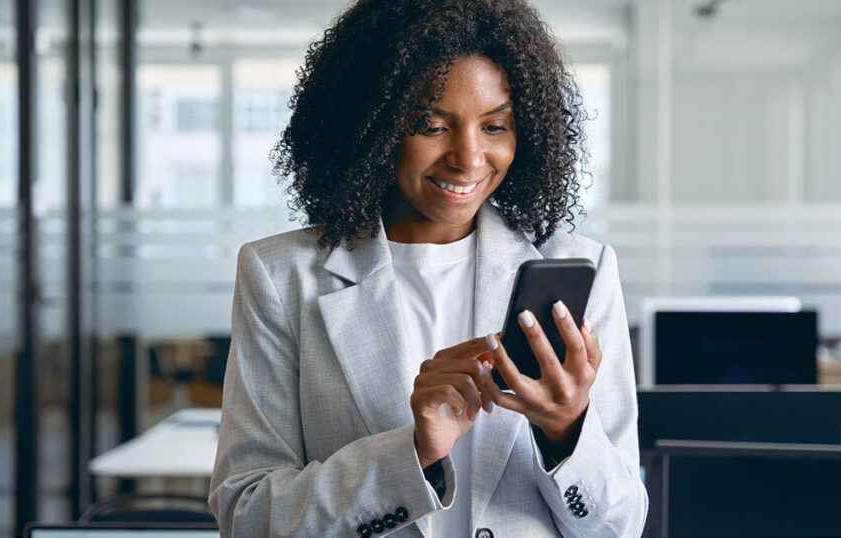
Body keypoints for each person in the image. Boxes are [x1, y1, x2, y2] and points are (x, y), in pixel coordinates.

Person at [208, 0, 648, 536]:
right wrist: (412, 455)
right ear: (371, 129)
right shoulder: (280, 276)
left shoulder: (583, 270)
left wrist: (566, 432)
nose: (468, 158)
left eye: (495, 126)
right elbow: (248, 515)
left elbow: (620, 525)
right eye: (431, 125)